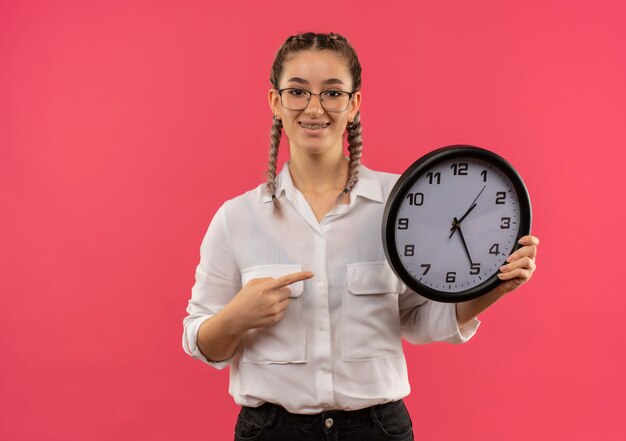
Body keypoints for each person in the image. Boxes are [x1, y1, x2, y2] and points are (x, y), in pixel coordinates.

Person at [182, 32, 539, 441]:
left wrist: (497, 286)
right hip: (271, 431)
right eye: (297, 91)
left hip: (377, 429)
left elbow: (418, 320)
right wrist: (235, 317)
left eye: (332, 93)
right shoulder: (237, 218)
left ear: (353, 104)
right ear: (275, 102)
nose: (314, 107)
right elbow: (198, 338)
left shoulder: (403, 203)